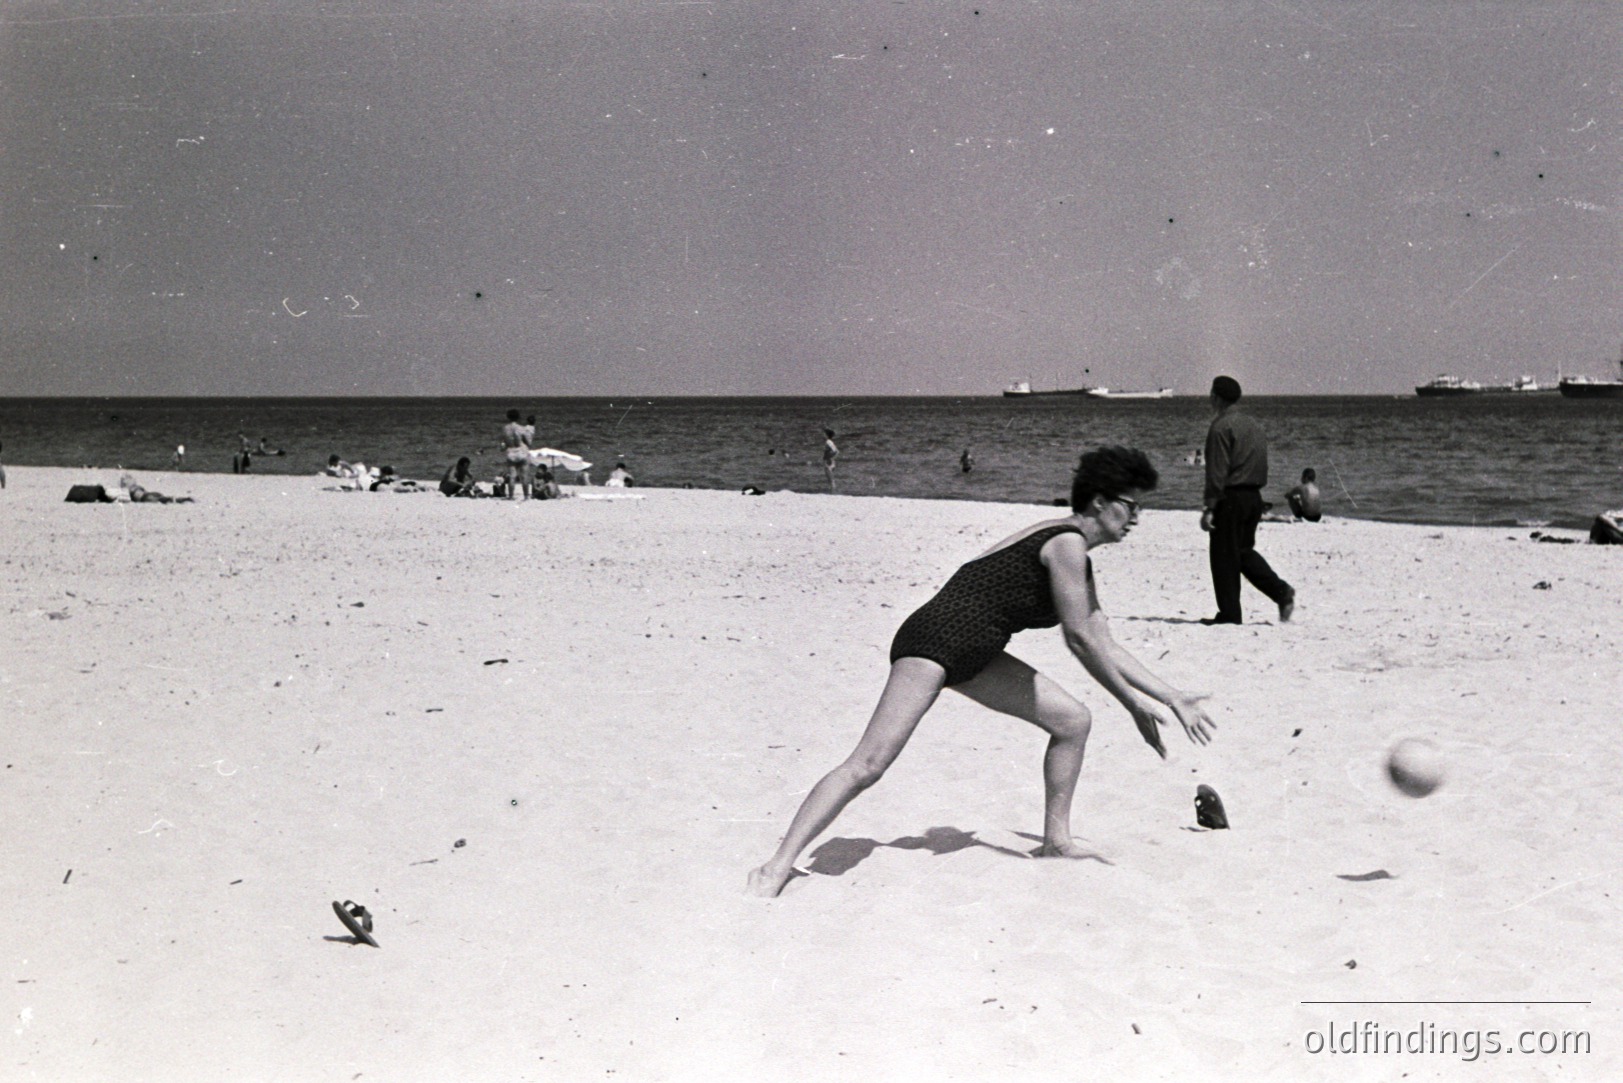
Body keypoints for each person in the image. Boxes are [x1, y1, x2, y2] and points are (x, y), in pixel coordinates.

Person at [747, 446, 1217, 898]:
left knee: (1072, 721)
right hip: (934, 640)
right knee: (869, 764)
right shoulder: (1066, 542)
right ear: (1100, 502)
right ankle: (777, 865)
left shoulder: (1076, 556)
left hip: (978, 652)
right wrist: (1134, 703)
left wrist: (1171, 696)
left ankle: (1055, 841)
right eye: (1132, 507)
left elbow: (1104, 641)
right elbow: (1079, 640)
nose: (1137, 519)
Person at [1200, 376, 1295, 625]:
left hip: (1230, 498)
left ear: (1215, 397)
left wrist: (1209, 508)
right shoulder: (1252, 424)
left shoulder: (1221, 426)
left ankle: (1230, 615)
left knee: (1223, 556)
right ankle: (1281, 592)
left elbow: (1217, 471)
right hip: (1253, 497)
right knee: (1242, 552)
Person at [501, 409, 532, 500]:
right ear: (518, 417)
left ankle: (511, 496)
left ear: (508, 417)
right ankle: (526, 496)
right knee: (524, 476)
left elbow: (504, 442)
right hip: (521, 452)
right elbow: (528, 442)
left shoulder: (505, 428)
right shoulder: (521, 428)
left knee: (512, 476)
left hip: (511, 452)